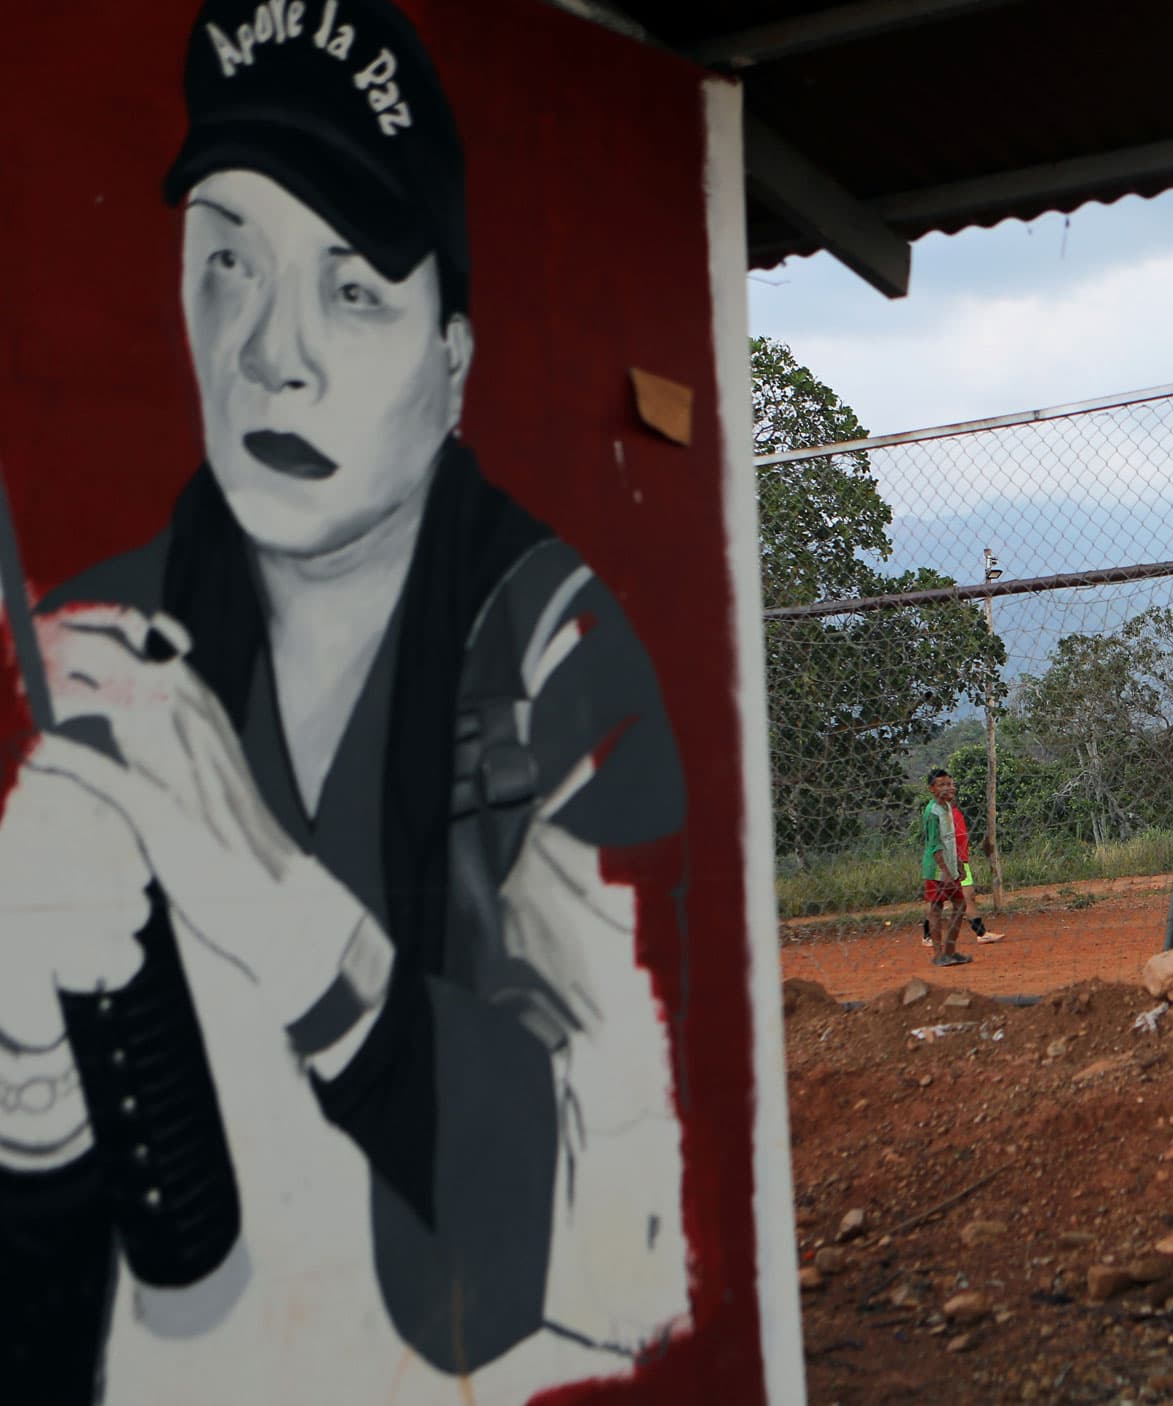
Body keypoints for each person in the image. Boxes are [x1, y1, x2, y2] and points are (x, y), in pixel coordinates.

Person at [1, 1, 689, 1395]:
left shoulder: (557, 665)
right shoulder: (101, 653)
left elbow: (628, 1255)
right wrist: (31, 1064)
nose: (273, 351)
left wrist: (274, 897)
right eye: (229, 264)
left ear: (453, 363)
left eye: (354, 286)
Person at [922, 770, 974, 967]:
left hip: (949, 865)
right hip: (937, 868)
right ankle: (938, 955)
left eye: (950, 784)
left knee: (960, 905)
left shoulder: (947, 808)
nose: (948, 788)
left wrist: (958, 864)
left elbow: (951, 841)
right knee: (936, 908)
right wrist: (946, 871)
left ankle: (950, 951)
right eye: (942, 785)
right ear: (932, 789)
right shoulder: (933, 812)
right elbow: (934, 846)